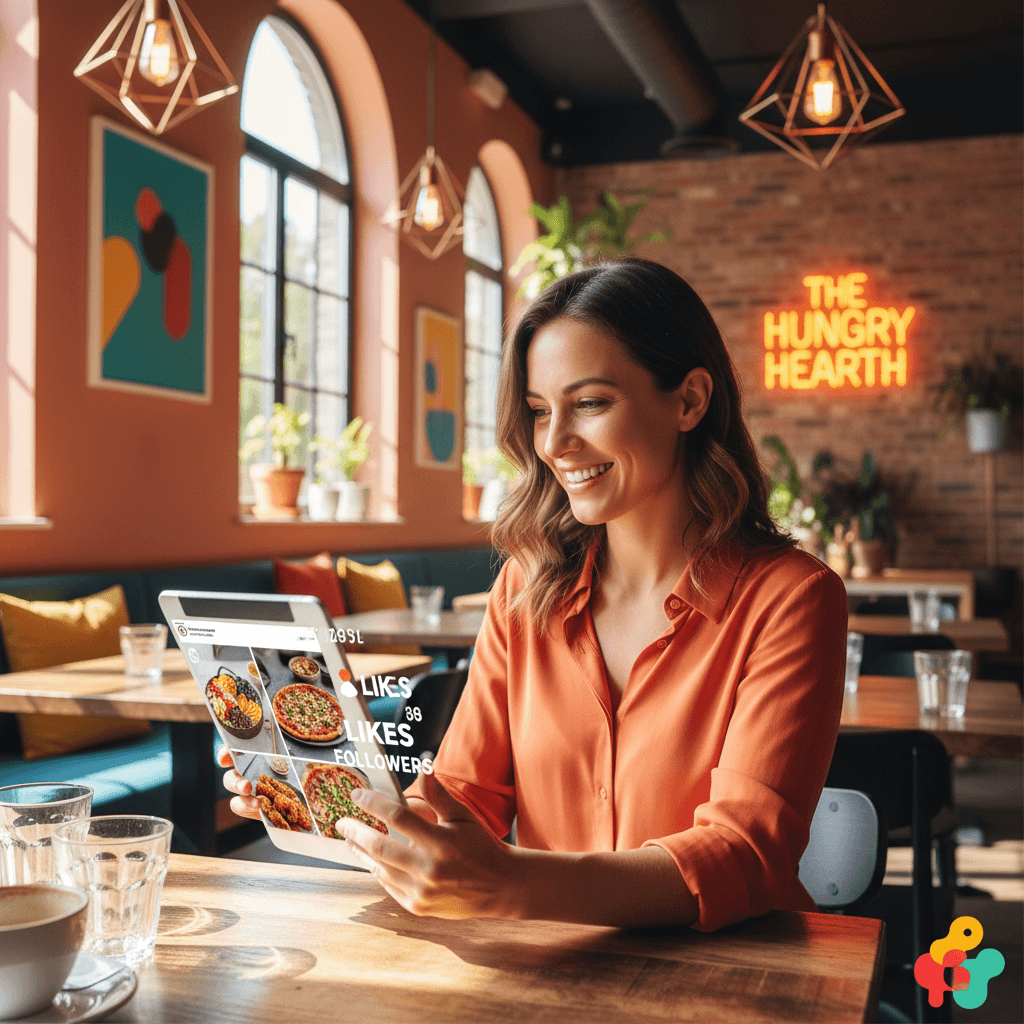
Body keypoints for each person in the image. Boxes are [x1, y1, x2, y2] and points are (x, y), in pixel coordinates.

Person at [219, 258, 847, 930]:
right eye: (540, 411)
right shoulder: (525, 587)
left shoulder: (793, 598)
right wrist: (339, 804)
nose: (554, 442)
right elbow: (464, 796)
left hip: (734, 980)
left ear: (689, 400)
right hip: (550, 973)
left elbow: (745, 854)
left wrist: (512, 884)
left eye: (592, 403)